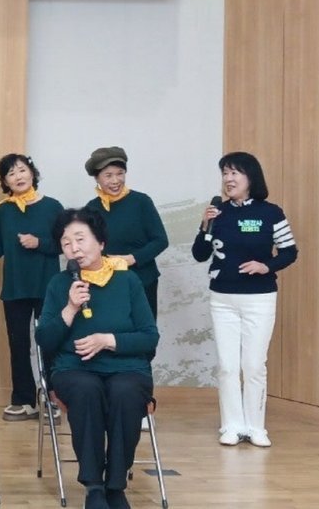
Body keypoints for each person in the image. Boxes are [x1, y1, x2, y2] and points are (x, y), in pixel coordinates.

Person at [36, 208, 158, 509]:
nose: (74, 248)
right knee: (86, 390)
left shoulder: (128, 281)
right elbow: (45, 340)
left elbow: (149, 336)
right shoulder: (59, 284)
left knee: (125, 393)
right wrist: (70, 308)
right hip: (74, 369)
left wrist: (108, 340)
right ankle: (93, 487)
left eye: (80, 239)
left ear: (101, 242)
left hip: (127, 368)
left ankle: (116, 485)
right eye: (66, 243)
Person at [192, 151, 297, 447]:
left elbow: (290, 251)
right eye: (225, 173)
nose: (228, 179)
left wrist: (266, 266)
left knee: (253, 365)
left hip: (259, 299)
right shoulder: (218, 213)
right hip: (222, 299)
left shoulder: (271, 213)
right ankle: (231, 425)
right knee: (227, 366)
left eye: (234, 172)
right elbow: (199, 254)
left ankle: (256, 427)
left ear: (251, 177)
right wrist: (205, 225)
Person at [0, 153, 63, 421]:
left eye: (22, 170)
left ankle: (53, 398)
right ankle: (24, 400)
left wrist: (39, 243)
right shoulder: (3, 210)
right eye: (11, 173)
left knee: (50, 343)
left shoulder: (52, 206)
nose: (18, 176)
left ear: (32, 173)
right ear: (5, 182)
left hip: (47, 287)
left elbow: (64, 244)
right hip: (15, 287)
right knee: (18, 344)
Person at [82, 147, 168, 321]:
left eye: (120, 174)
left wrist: (132, 258)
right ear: (97, 178)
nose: (115, 180)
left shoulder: (141, 201)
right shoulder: (91, 208)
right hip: (106, 282)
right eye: (108, 175)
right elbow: (89, 247)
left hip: (143, 279)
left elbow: (160, 240)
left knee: (144, 329)